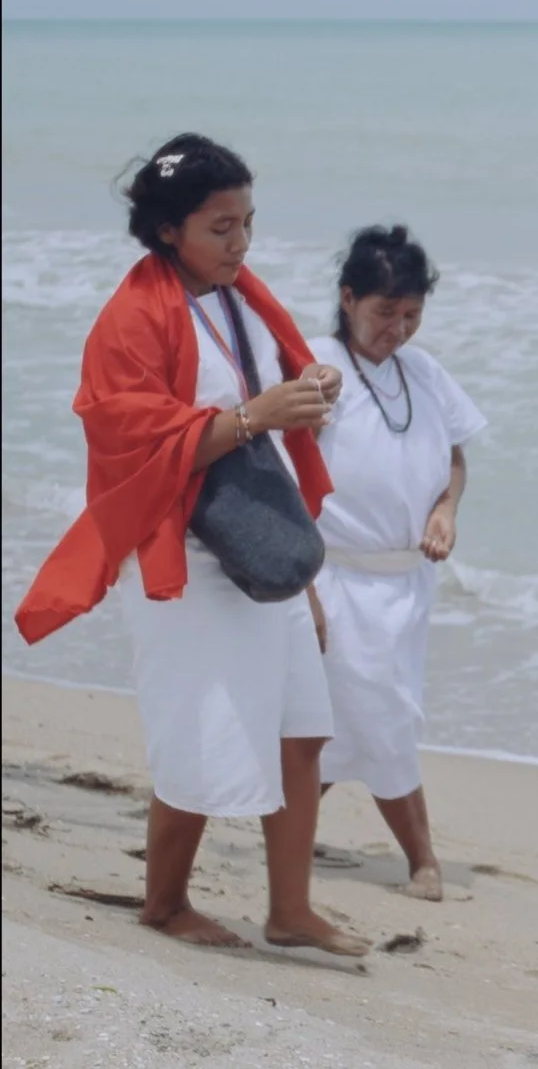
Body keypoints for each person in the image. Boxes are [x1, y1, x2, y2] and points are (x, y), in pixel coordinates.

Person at [13, 133, 370, 956]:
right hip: (176, 551)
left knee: (301, 728)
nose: (241, 243)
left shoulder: (240, 293)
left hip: (251, 538)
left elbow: (266, 402)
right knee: (199, 734)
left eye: (248, 223)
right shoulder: (131, 317)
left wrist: (314, 385)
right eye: (221, 228)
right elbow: (127, 436)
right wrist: (256, 417)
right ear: (169, 229)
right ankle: (166, 904)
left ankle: (290, 911)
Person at [310, 225, 486, 902]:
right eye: (386, 311)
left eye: (411, 314)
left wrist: (446, 511)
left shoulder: (424, 372)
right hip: (334, 574)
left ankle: (275, 828)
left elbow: (455, 459)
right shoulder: (316, 365)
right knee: (375, 714)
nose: (399, 328)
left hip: (406, 582)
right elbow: (281, 466)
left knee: (352, 717)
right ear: (349, 298)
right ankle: (422, 860)